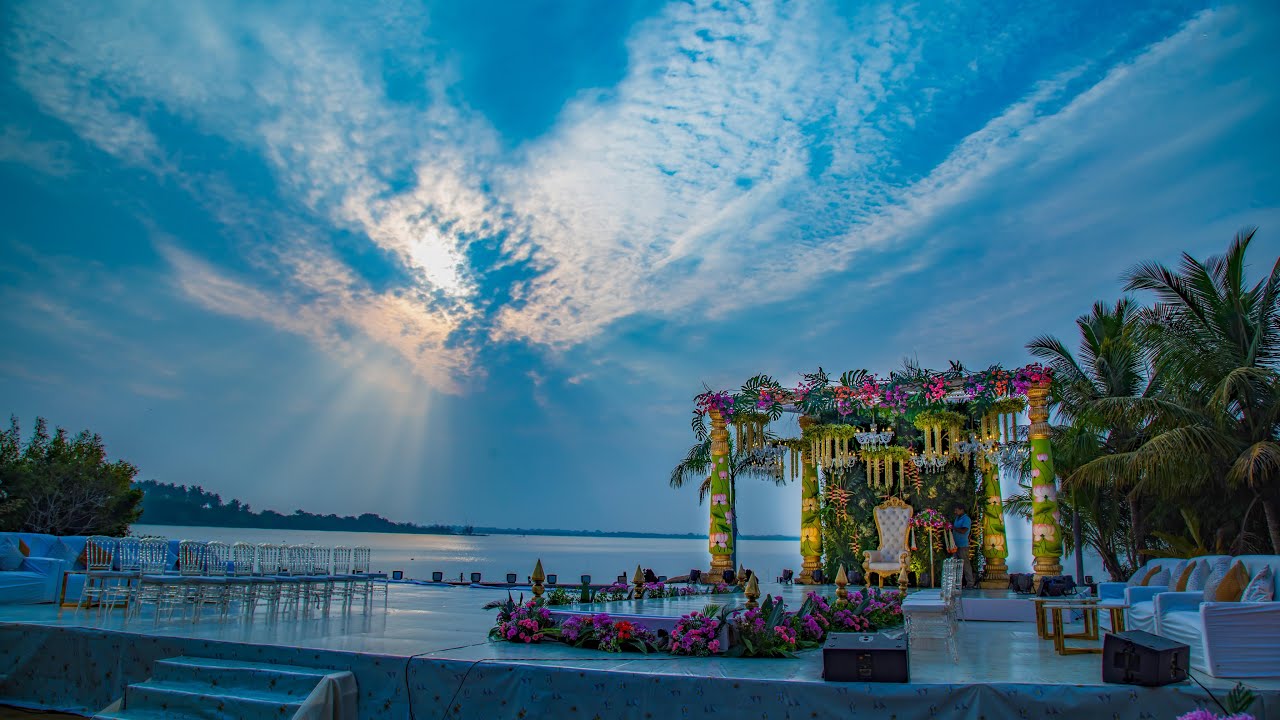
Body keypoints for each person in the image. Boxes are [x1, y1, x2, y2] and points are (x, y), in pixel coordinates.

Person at [949, 502, 976, 588]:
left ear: (962, 510)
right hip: (955, 545)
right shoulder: (957, 518)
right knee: (955, 564)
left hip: (963, 545)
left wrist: (954, 528)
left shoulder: (966, 519)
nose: (955, 512)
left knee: (965, 564)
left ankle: (970, 583)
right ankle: (956, 583)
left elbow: (964, 530)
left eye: (957, 510)